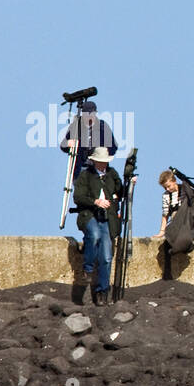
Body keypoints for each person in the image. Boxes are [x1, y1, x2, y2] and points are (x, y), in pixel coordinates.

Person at [73, 145, 132, 306]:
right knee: (94, 235)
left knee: (106, 257)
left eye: (104, 162)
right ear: (94, 161)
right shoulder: (86, 175)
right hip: (90, 215)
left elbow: (121, 192)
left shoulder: (112, 174)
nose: (102, 164)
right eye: (100, 162)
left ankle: (102, 292)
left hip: (108, 219)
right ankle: (88, 269)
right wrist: (96, 202)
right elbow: (78, 197)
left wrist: (129, 181)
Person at [155, 170, 194, 253]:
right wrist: (161, 231)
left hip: (191, 214)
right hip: (179, 220)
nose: (167, 189)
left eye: (168, 186)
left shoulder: (186, 189)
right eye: (165, 187)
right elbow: (165, 214)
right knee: (174, 214)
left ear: (174, 181)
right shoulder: (166, 195)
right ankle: (186, 243)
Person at [59, 100, 118, 178]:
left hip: (98, 168)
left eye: (92, 113)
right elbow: (63, 145)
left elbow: (114, 146)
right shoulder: (76, 127)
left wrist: (104, 152)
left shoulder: (103, 126)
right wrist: (68, 143)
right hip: (80, 170)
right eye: (87, 114)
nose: (90, 116)